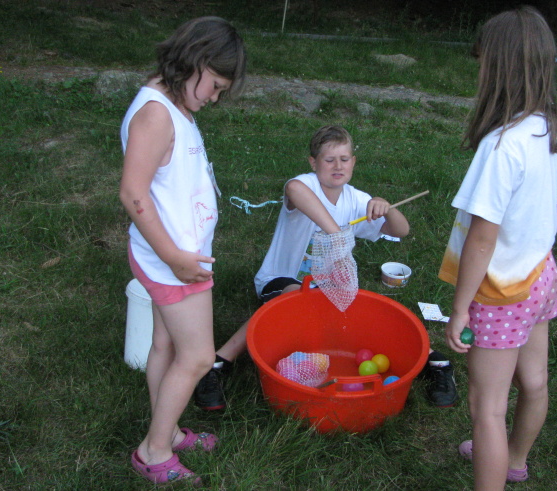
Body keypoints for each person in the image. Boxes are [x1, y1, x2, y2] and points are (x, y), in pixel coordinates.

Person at [194, 125, 458, 411]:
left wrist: (387, 207)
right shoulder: (305, 185)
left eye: (344, 159)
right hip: (281, 279)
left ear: (353, 162)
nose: (337, 166)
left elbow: (401, 230)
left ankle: (436, 361)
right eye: (329, 160)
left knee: (364, 312)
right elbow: (293, 190)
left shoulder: (356, 199)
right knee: (297, 297)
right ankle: (218, 364)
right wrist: (336, 235)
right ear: (313, 163)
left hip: (330, 288)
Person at [440, 6, 557, 489]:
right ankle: (515, 461)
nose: (478, 73)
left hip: (501, 291)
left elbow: (482, 237)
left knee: (486, 408)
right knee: (534, 381)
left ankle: (497, 467)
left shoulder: (501, 145)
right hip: (540, 275)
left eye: (482, 63)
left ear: (499, 68)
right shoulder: (549, 128)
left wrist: (460, 308)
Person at [119, 16, 246, 485]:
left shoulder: (171, 103)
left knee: (165, 345)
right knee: (197, 357)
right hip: (172, 263)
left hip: (170, 257)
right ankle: (153, 451)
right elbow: (133, 193)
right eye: (215, 86)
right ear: (196, 60)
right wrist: (175, 258)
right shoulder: (156, 114)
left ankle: (167, 431)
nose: (214, 98)